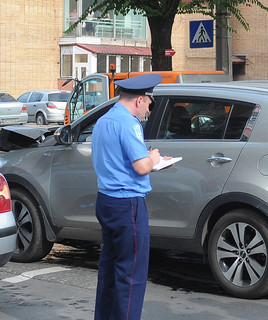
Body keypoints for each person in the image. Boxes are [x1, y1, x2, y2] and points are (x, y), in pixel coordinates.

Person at [91, 73, 164, 320]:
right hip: (127, 204)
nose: (147, 111)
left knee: (110, 270)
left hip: (106, 200)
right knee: (131, 275)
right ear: (140, 100)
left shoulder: (103, 120)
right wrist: (154, 158)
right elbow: (141, 166)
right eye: (148, 105)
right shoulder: (129, 123)